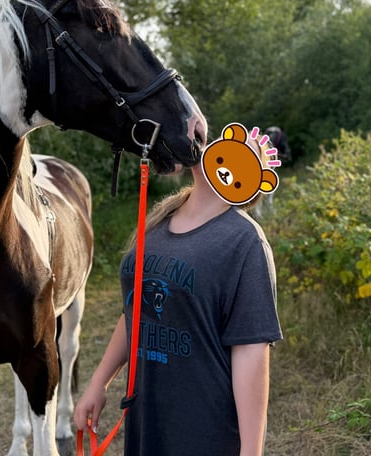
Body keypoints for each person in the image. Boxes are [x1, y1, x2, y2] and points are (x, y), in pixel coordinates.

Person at [74, 124, 282, 456]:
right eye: (224, 143)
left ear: (252, 183)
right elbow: (135, 311)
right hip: (147, 417)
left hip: (204, 427)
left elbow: (251, 350)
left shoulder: (244, 242)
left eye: (244, 156)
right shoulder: (158, 223)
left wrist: (251, 450)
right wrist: (99, 382)